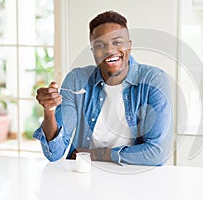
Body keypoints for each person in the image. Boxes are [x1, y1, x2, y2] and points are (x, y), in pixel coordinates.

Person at [33, 10, 172, 166]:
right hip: (86, 175)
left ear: (129, 46)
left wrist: (98, 154)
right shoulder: (77, 80)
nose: (109, 50)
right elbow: (54, 153)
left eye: (117, 42)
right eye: (100, 45)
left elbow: (157, 154)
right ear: (93, 51)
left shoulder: (154, 80)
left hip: (134, 177)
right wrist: (49, 111)